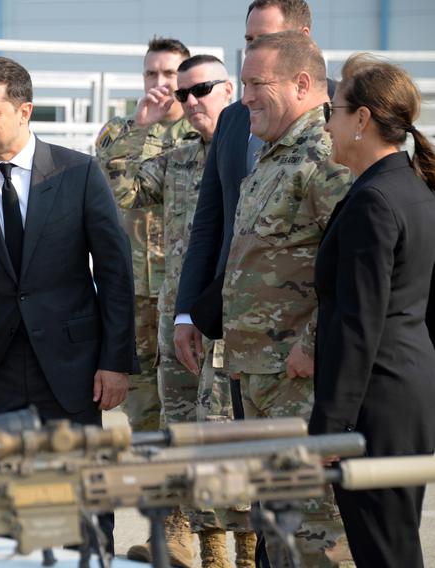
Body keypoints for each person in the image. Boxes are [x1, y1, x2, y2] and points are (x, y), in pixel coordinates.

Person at [0, 56, 136, 555]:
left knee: (83, 499)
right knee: (2, 506)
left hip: (72, 370)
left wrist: (115, 362)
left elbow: (115, 272)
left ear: (25, 111)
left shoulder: (79, 172)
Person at [115, 54, 256, 568]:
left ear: (230, 91)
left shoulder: (256, 152)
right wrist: (141, 127)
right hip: (177, 327)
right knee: (177, 436)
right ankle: (193, 547)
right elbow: (119, 187)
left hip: (232, 323)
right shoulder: (179, 158)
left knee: (229, 440)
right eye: (184, 94)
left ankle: (245, 555)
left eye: (203, 90)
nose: (192, 102)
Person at [221, 31, 353, 567]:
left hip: (300, 381)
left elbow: (357, 269)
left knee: (314, 534)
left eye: (258, 84)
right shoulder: (273, 156)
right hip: (259, 379)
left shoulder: (324, 155)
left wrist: (315, 343)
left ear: (303, 85)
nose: (246, 96)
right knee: (276, 531)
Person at [309, 54, 435, 568]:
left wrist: (332, 425)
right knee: (394, 544)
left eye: (332, 112)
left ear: (361, 120)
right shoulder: (409, 189)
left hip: (377, 403)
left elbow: (360, 323)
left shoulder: (375, 201)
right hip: (407, 392)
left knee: (385, 550)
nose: (328, 126)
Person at [175, 0, 332, 381]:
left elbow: (351, 253)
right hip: (236, 324)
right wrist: (188, 311)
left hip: (299, 339)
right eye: (249, 39)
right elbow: (210, 220)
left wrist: (315, 339)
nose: (253, 47)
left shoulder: (338, 113)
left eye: (265, 37)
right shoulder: (233, 117)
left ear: (302, 39)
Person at [96, 38, 198, 566]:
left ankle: (221, 538)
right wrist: (142, 130)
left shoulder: (204, 128)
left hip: (184, 297)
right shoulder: (120, 132)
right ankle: (169, 530)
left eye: (170, 73)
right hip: (134, 297)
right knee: (147, 416)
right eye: (151, 73)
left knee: (196, 415)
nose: (160, 84)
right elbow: (110, 191)